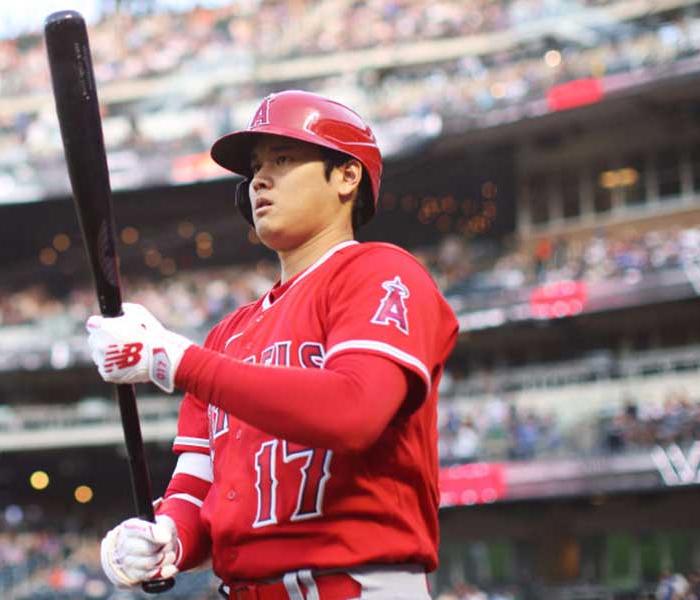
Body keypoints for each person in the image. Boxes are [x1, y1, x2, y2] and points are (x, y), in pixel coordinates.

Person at [86, 90, 459, 599]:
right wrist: (167, 537)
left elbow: (355, 409)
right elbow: (197, 490)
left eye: (283, 158)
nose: (259, 179)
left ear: (347, 176)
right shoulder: (225, 338)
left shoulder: (380, 273)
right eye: (256, 168)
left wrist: (176, 361)